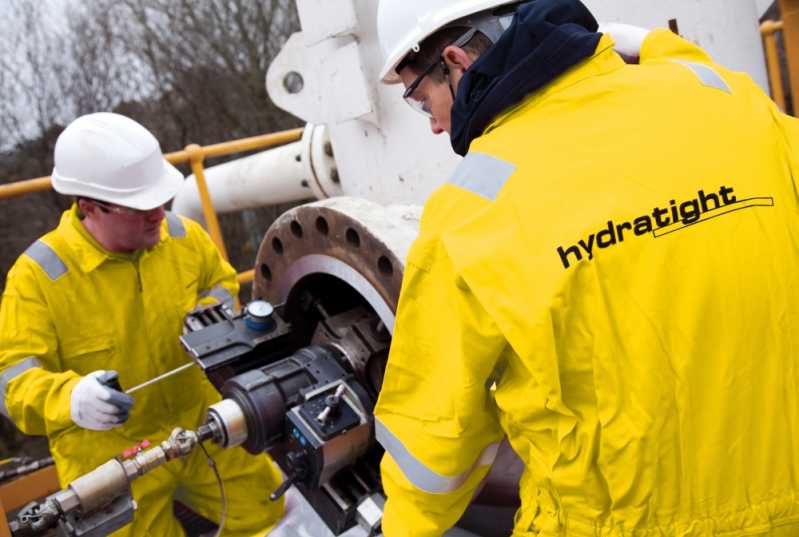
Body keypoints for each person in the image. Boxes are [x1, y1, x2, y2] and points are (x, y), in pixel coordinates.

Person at [373, 0, 799, 535]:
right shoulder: (730, 100)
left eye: (419, 98)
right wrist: (664, 50)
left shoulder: (470, 210)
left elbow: (432, 438)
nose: (435, 125)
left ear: (456, 61)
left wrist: (402, 526)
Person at [0, 112, 284, 536]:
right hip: (107, 456)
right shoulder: (38, 278)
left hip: (205, 420)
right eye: (141, 207)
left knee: (274, 514)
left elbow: (222, 284)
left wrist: (210, 313)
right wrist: (72, 397)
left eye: (160, 199)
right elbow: (13, 386)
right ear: (90, 207)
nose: (158, 214)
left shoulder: (183, 237)